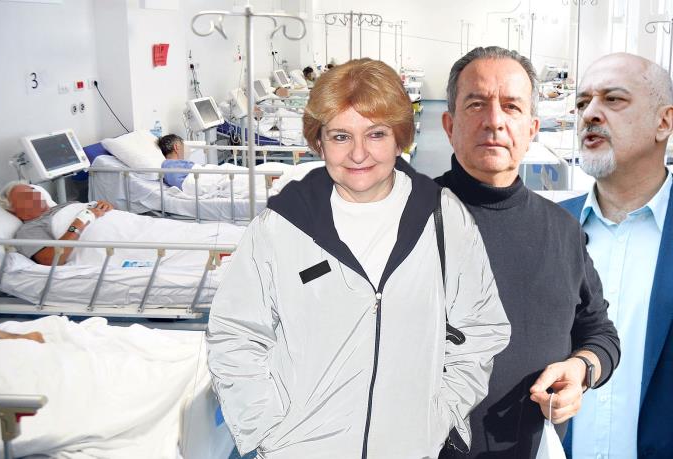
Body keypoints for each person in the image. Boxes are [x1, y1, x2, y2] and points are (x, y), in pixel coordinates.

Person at [206, 58, 510, 458]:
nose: (359, 153)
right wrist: (267, 430)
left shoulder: (441, 218)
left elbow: (481, 327)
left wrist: (440, 416)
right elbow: (234, 334)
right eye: (340, 136)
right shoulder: (281, 228)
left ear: (400, 139)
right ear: (319, 142)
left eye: (376, 134)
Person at [434, 46, 620, 458]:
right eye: (476, 104)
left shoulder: (564, 231)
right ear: (449, 124)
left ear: (532, 128)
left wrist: (582, 370)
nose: (494, 120)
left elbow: (599, 332)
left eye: (511, 106)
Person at [561, 53, 673, 458]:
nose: (590, 114)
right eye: (582, 103)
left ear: (664, 122)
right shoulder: (550, 229)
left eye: (613, 99)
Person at [0, 182, 113, 265]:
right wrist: (79, 223)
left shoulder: (65, 205)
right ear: (13, 210)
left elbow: (99, 214)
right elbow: (51, 260)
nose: (32, 194)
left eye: (32, 190)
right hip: (109, 247)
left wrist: (105, 206)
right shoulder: (29, 230)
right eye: (23, 195)